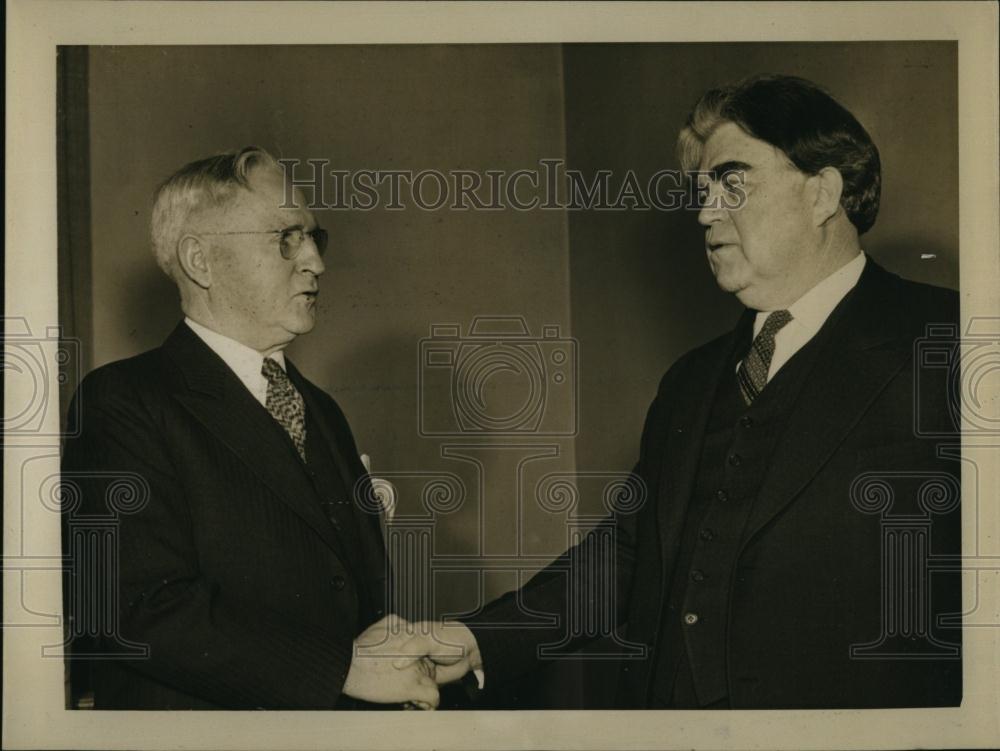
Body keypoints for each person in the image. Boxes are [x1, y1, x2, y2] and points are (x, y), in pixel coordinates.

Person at [399, 74, 962, 709]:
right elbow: (628, 555)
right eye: (702, 191)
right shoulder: (691, 381)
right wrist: (477, 640)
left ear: (821, 193)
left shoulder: (948, 340)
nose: (705, 212)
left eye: (732, 183)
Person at [61, 147, 439, 710]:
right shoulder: (123, 401)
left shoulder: (322, 410)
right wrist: (342, 668)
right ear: (201, 260)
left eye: (315, 237)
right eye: (286, 237)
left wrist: (397, 651)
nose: (315, 261)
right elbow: (135, 608)